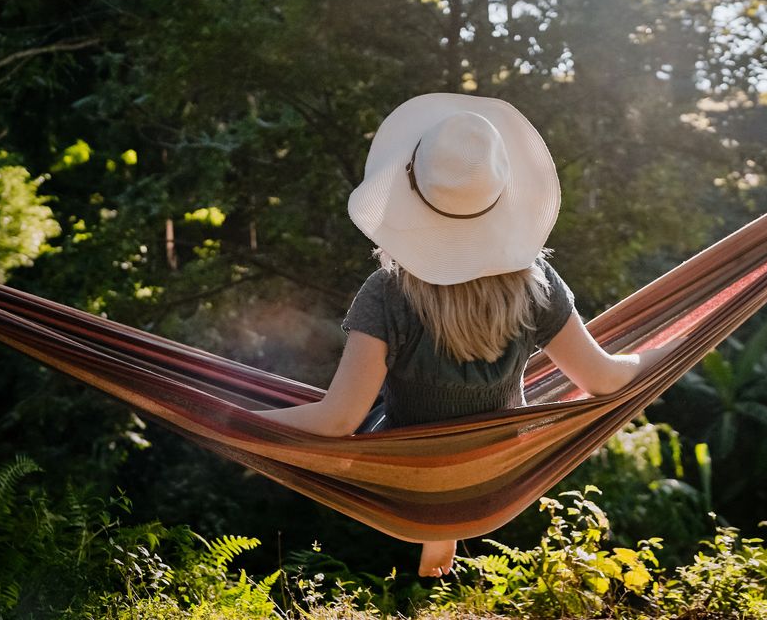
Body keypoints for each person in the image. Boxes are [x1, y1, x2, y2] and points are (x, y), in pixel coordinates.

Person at [259, 93, 652, 577]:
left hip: (409, 473)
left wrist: (246, 423)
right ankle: (439, 543)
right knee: (459, 430)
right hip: (498, 470)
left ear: (411, 185)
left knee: (401, 421)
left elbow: (339, 418)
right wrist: (663, 352)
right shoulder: (536, 286)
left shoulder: (388, 294)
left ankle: (435, 529)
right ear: (501, 193)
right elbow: (604, 379)